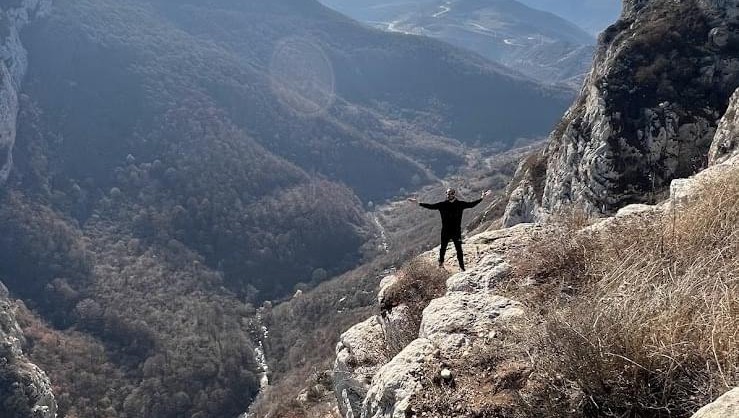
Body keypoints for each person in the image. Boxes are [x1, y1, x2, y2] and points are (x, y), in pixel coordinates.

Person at [408, 188, 491, 271]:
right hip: (445, 230)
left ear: (454, 194)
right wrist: (418, 203)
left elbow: (471, 204)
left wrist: (481, 198)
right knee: (443, 248)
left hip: (456, 230)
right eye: (447, 194)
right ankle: (440, 264)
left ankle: (462, 267)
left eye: (450, 193)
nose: (448, 195)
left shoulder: (460, 204)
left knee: (459, 249)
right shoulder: (442, 205)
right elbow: (431, 206)